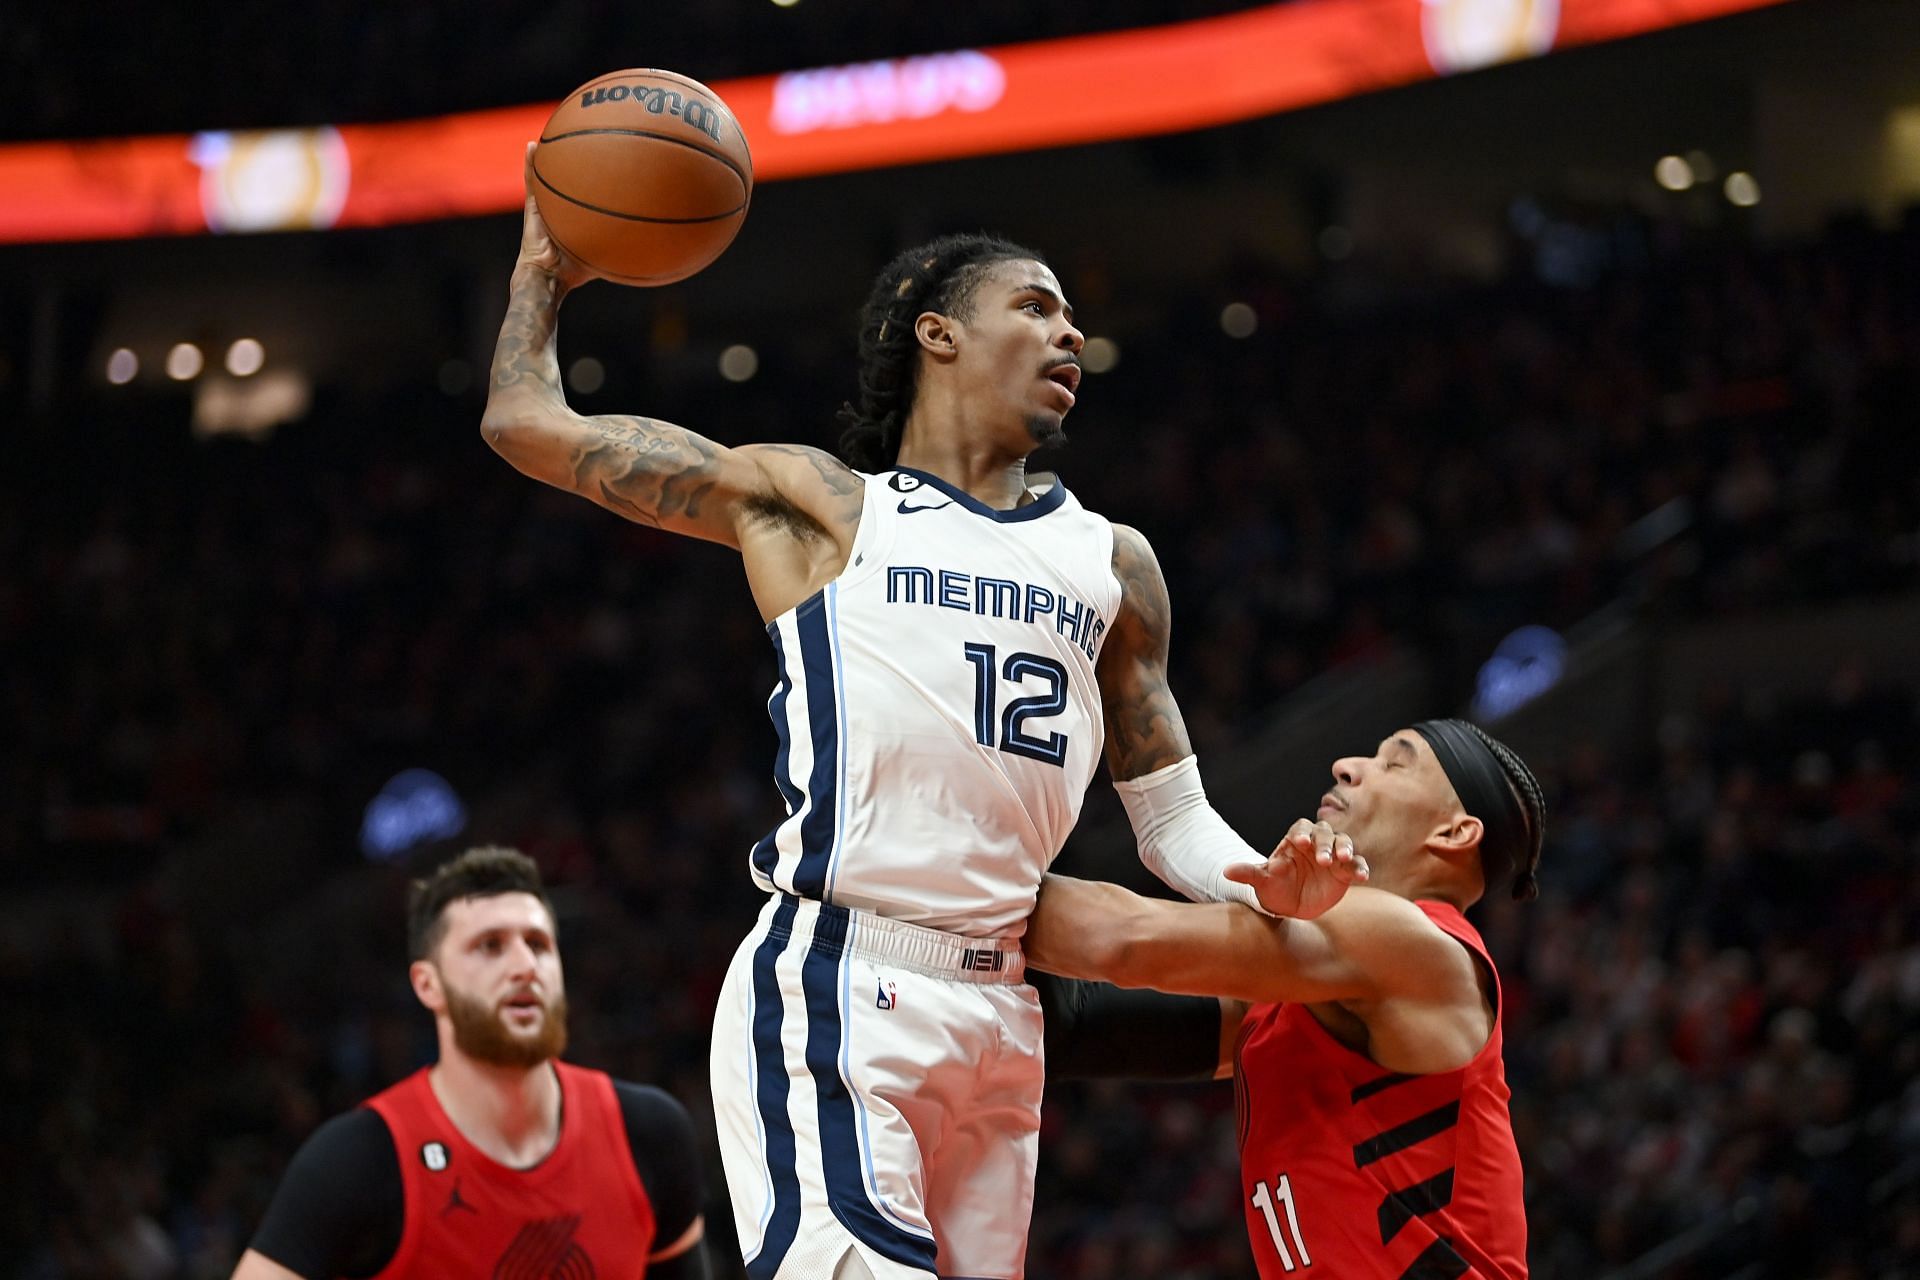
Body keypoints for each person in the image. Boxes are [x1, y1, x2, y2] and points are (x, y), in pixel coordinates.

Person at [481, 146, 1364, 1279]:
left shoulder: (1115, 564)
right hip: (845, 975)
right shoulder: (820, 507)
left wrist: (1263, 879)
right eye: (1034, 306)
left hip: (1006, 1009)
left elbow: (1173, 820)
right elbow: (525, 423)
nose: (1067, 336)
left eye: (1074, 319)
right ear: (936, 332)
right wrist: (542, 273)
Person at [1027, 720, 1545, 1279]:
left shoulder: (1421, 946)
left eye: (1393, 763)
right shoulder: (1313, 994)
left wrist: (947, 866)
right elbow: (1084, 1024)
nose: (1347, 764)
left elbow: (1123, 941)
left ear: (1454, 833)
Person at [233, 846, 709, 1279]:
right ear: (428, 985)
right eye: (490, 946)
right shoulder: (360, 1160)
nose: (525, 965)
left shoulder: (649, 1132)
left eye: (539, 944)